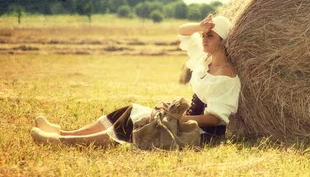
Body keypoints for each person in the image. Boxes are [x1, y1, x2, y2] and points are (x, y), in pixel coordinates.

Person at [30, 15, 241, 147]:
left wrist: (178, 119)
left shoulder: (226, 76)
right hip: (187, 120)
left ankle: (62, 142)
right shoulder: (204, 60)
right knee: (132, 109)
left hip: (202, 134)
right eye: (204, 35)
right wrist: (199, 26)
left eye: (210, 36)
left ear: (223, 42)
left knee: (141, 122)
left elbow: (215, 119)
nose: (203, 38)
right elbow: (182, 31)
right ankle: (62, 132)